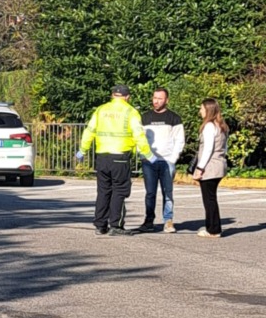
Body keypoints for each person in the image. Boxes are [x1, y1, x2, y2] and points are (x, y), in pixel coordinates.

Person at [76, 84, 156, 236]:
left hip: (102, 156)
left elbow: (89, 131)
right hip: (120, 156)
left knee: (103, 191)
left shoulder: (101, 110)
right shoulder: (131, 112)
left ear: (112, 95)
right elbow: (139, 135)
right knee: (119, 191)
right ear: (127, 97)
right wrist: (148, 154)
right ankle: (116, 225)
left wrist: (82, 150)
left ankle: (100, 225)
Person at [138, 87, 185, 233]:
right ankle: (149, 220)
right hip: (149, 161)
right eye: (154, 98)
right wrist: (143, 155)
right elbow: (139, 138)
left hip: (167, 161)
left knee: (167, 192)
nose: (156, 101)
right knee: (150, 193)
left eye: (160, 98)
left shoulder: (174, 118)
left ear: (167, 100)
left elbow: (180, 139)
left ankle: (168, 221)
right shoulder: (145, 117)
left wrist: (172, 159)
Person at [193, 98, 229, 238]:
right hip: (219, 164)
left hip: (210, 167)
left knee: (209, 199)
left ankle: (213, 229)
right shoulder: (221, 126)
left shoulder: (209, 126)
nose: (200, 111)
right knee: (211, 198)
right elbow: (224, 148)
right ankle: (213, 226)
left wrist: (200, 168)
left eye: (201, 108)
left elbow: (208, 149)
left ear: (208, 110)